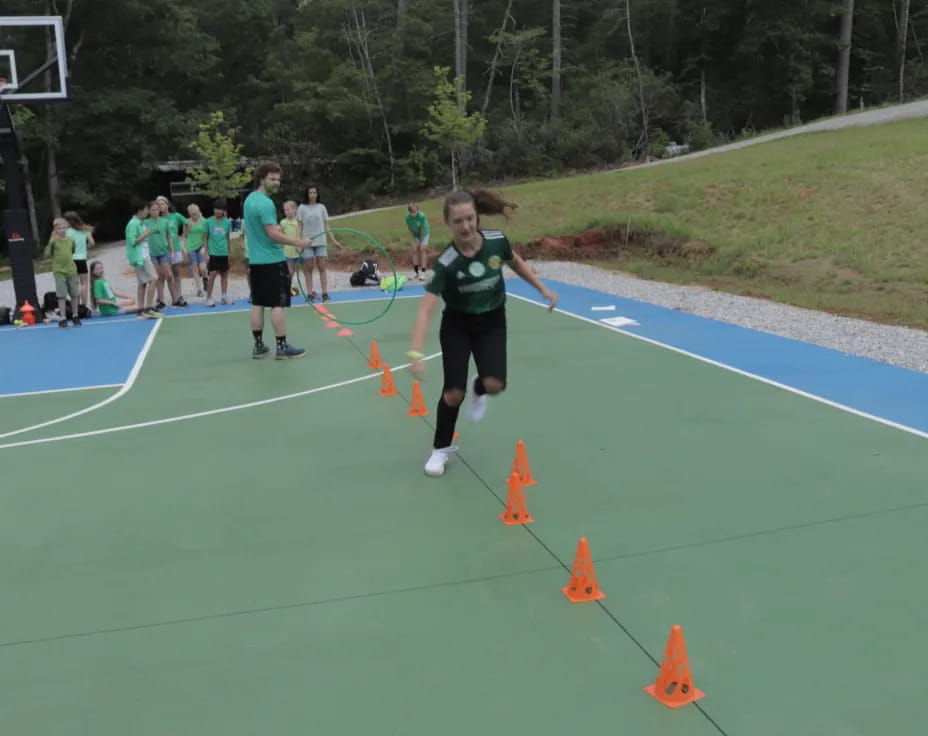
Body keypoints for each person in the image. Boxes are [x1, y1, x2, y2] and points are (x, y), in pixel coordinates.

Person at [407, 188, 558, 477]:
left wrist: (542, 289)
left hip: (491, 322)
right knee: (453, 393)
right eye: (458, 221)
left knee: (495, 385)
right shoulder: (446, 263)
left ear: (477, 217)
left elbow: (516, 262)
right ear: (448, 223)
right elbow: (426, 307)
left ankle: (479, 388)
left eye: (470, 219)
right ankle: (440, 449)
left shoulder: (496, 241)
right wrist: (415, 352)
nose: (466, 226)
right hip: (457, 326)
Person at [243, 161, 312, 359]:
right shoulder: (266, 203)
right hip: (272, 260)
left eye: (278, 179)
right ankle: (282, 347)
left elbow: (261, 229)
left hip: (255, 261)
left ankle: (258, 346)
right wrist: (297, 241)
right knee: (277, 304)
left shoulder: (249, 200)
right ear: (262, 179)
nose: (276, 182)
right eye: (272, 179)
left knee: (257, 303)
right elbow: (272, 234)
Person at [296, 184, 342, 302]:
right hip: (307, 242)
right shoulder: (302, 208)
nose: (312, 195)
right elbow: (299, 227)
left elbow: (327, 225)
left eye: (314, 193)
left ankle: (325, 294)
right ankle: (310, 294)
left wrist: (334, 241)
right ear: (307, 194)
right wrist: (298, 243)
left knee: (322, 268)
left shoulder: (321, 207)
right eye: (310, 193)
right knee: (308, 268)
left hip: (321, 242)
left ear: (317, 194)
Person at [404, 202, 430, 280]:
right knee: (414, 250)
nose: (414, 214)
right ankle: (416, 272)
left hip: (424, 233)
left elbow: (422, 229)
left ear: (418, 210)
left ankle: (423, 272)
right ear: (409, 212)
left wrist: (421, 243)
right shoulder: (407, 218)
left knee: (422, 250)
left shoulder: (421, 216)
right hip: (415, 234)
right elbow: (410, 229)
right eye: (412, 212)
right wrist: (414, 240)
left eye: (415, 211)